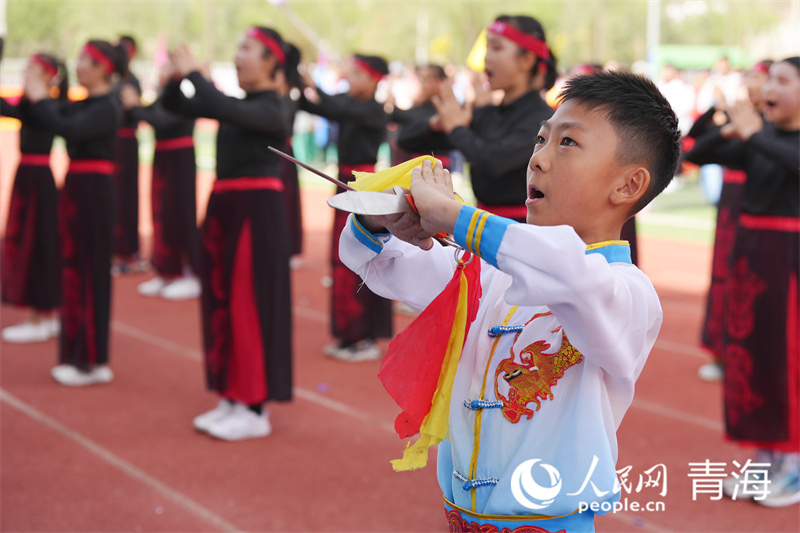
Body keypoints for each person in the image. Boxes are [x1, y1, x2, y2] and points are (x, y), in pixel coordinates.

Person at [339, 70, 680, 531]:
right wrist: (387, 219)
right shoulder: (490, 272)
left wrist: (458, 218)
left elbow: (571, 276)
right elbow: (382, 263)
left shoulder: (630, 293)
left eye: (568, 143)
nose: (537, 159)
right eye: (541, 139)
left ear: (627, 186)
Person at [163, 27, 297, 441]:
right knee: (220, 302)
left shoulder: (274, 109)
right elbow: (174, 105)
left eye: (246, 49)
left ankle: (254, 406)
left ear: (272, 62)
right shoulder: (235, 105)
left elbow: (213, 101)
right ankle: (230, 395)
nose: (237, 56)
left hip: (256, 213)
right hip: (225, 210)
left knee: (248, 304)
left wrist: (195, 76)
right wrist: (173, 78)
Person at [683, 57, 800, 508]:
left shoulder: (769, 140)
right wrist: (726, 124)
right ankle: (768, 456)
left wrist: (753, 134)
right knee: (755, 356)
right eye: (768, 80)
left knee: (786, 359)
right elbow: (695, 154)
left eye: (783, 81)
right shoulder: (761, 137)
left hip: (788, 262)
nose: (769, 87)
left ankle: (791, 462)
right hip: (753, 259)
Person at [26, 40, 125, 386]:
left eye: (85, 60)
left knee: (91, 271)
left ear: (103, 68)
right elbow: (41, 114)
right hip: (78, 189)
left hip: (95, 191)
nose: (78, 66)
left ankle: (93, 359)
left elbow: (68, 128)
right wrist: (34, 95)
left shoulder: (108, 107)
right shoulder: (83, 104)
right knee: (74, 268)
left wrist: (40, 98)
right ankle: (77, 353)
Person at [407, 15, 556, 222]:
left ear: (526, 60)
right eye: (487, 48)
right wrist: (436, 124)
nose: (486, 57)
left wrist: (457, 128)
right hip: (481, 223)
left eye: (496, 48)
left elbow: (493, 161)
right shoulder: (487, 113)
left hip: (521, 228)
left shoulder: (545, 119)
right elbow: (406, 140)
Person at [300, 54, 393, 362]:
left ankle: (362, 336)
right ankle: (349, 333)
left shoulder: (373, 110)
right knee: (340, 257)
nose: (349, 78)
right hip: (344, 183)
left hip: (364, 189)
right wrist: (299, 87)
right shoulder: (350, 103)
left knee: (359, 256)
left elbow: (335, 107)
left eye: (356, 73)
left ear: (374, 79)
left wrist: (315, 87)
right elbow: (318, 106)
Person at [687, 60, 773, 383]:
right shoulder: (736, 118)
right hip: (730, 206)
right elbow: (691, 145)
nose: (752, 83)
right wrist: (716, 111)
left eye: (760, 78)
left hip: (760, 210)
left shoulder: (774, 127)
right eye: (750, 76)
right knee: (725, 276)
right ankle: (721, 353)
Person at [0, 53, 67, 343]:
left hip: (39, 180)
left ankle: (42, 316)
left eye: (32, 69)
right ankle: (42, 314)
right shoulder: (32, 105)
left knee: (40, 244)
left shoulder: (46, 106)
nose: (26, 72)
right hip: (28, 177)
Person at [120, 64, 202, 300]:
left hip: (180, 159)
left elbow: (160, 120)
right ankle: (167, 269)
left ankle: (190, 272)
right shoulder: (160, 98)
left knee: (181, 213)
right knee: (162, 214)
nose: (162, 72)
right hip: (163, 158)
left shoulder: (183, 100)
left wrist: (135, 106)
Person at [112, 35, 144, 273]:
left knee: (124, 197)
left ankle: (126, 251)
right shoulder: (119, 82)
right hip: (117, 144)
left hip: (124, 144)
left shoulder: (128, 82)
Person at [389, 64, 453, 168]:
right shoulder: (420, 108)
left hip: (438, 168)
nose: (424, 85)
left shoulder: (449, 109)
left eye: (428, 80)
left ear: (442, 82)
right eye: (422, 80)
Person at [277, 43, 305, 263]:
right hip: (279, 151)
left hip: (283, 152)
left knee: (285, 202)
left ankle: (287, 246)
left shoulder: (292, 91)